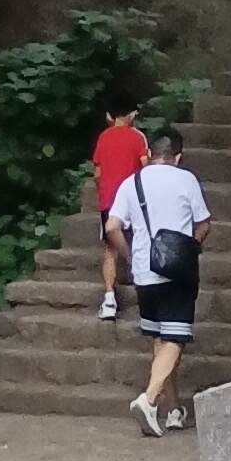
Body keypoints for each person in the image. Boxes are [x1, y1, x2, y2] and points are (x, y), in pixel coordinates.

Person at [106, 125, 213, 431]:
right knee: (175, 338)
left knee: (160, 340)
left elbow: (112, 226)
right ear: (178, 157)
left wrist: (130, 256)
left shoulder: (132, 182)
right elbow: (203, 224)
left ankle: (173, 409)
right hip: (177, 272)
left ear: (150, 154)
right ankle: (150, 398)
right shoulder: (186, 179)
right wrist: (191, 246)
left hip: (144, 272)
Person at [89, 102, 150, 322]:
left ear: (109, 115)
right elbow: (146, 166)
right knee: (143, 240)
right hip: (134, 200)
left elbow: (97, 173)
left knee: (110, 249)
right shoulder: (137, 137)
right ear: (132, 114)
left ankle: (109, 300)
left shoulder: (103, 138)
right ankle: (147, 292)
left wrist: (103, 190)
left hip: (109, 200)